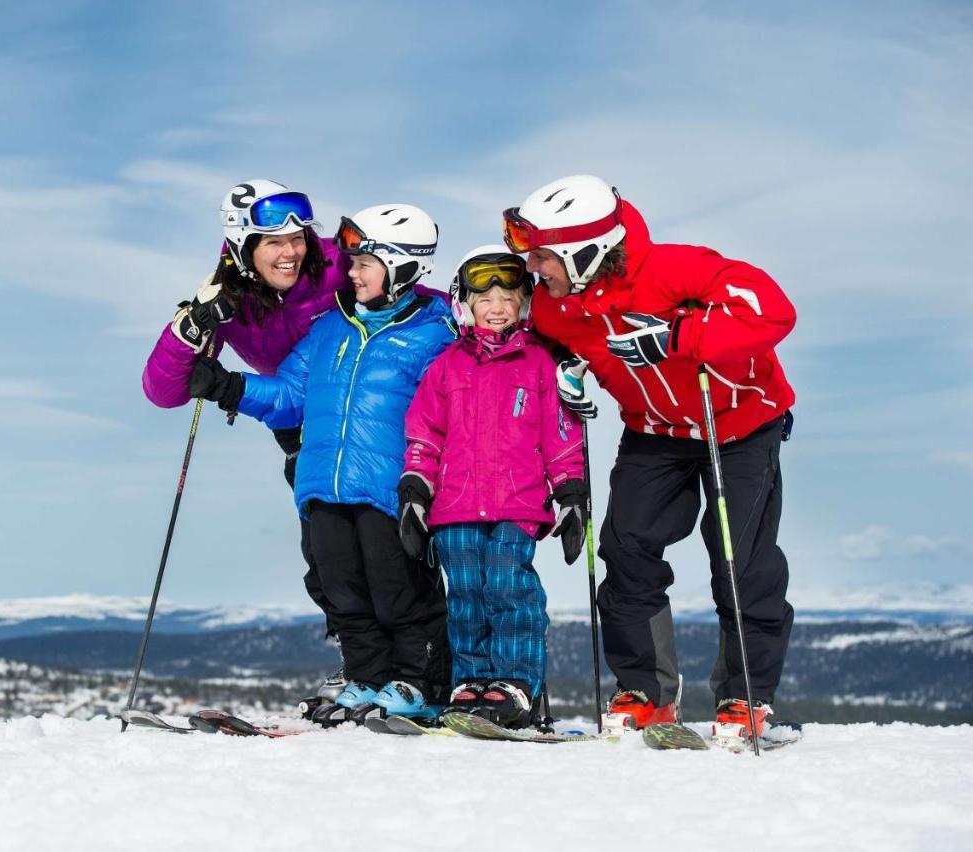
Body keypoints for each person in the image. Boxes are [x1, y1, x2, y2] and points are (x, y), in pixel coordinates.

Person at [504, 174, 796, 742]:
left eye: (542, 257)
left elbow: (771, 312)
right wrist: (563, 370)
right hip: (655, 430)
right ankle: (647, 692)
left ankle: (745, 696)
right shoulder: (556, 305)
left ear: (584, 254)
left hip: (737, 423)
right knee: (626, 545)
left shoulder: (674, 269)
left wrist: (677, 336)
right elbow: (548, 342)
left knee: (739, 557)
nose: (533, 270)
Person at [189, 204, 455, 723]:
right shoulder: (331, 327)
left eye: (364, 262)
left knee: (397, 587)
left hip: (389, 487)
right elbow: (289, 393)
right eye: (351, 260)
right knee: (342, 589)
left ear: (401, 267)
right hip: (321, 483)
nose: (349, 272)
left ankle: (419, 682)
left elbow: (458, 404)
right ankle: (366, 676)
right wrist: (228, 386)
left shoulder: (437, 332)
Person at [141, 179, 351, 708]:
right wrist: (191, 328)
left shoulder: (335, 265)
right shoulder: (227, 298)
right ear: (243, 244)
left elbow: (411, 297)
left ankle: (421, 670)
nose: (291, 252)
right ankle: (362, 668)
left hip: (369, 424)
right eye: (273, 241)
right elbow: (163, 392)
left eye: (297, 237)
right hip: (302, 436)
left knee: (390, 553)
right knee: (326, 560)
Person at [398, 246, 585, 729]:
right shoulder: (446, 367)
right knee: (464, 597)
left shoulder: (540, 365)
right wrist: (415, 492)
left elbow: (560, 437)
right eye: (486, 297)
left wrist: (571, 494)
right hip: (454, 508)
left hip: (516, 505)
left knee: (509, 589)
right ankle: (472, 684)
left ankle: (516, 685)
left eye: (510, 296)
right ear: (465, 304)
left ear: (524, 304)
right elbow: (424, 435)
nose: (498, 306)